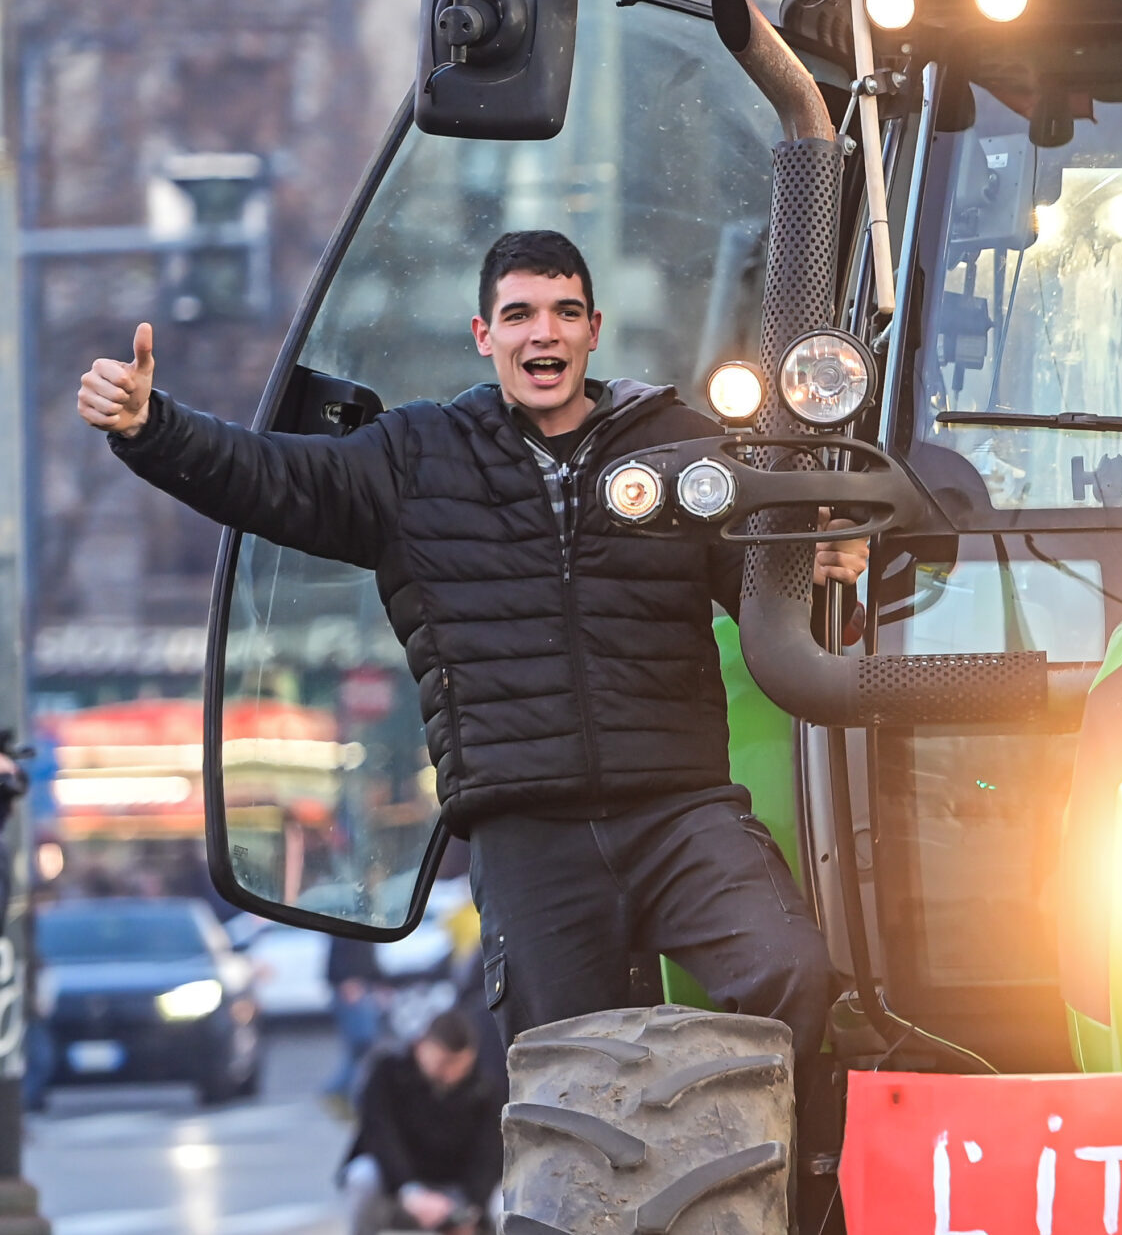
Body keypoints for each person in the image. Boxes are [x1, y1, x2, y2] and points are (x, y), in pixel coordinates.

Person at [77, 230, 859, 1168]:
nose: (546, 333)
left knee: (790, 971)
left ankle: (787, 1200)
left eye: (566, 312)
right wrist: (147, 426)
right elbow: (268, 478)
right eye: (522, 313)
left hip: (680, 809)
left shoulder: (680, 446)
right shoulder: (414, 458)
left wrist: (827, 567)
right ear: (483, 334)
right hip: (531, 834)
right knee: (573, 1107)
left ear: (593, 330)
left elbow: (773, 587)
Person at [342, 1007, 502, 1234]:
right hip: (399, 1185)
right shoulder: (388, 1072)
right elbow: (378, 1134)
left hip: (457, 1190)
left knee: (504, 1203)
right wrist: (410, 1190)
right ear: (421, 1046)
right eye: (444, 1062)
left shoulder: (484, 1086)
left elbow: (490, 1152)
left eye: (461, 1066)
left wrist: (472, 1207)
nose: (451, 1074)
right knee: (363, 1176)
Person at [325, 934, 389, 1106]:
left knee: (363, 1046)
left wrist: (379, 982)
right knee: (361, 1044)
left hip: (362, 988)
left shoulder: (368, 923)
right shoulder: (349, 922)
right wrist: (346, 980)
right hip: (353, 990)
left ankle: (345, 1093)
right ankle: (338, 1091)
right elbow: (342, 954)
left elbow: (368, 956)